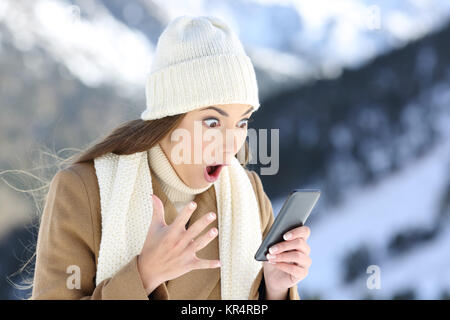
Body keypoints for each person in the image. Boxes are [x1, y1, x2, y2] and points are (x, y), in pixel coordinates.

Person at [30, 15, 311, 300]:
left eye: (242, 122)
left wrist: (276, 289)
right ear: (168, 120)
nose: (231, 144)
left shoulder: (250, 198)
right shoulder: (82, 191)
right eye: (212, 122)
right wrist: (143, 275)